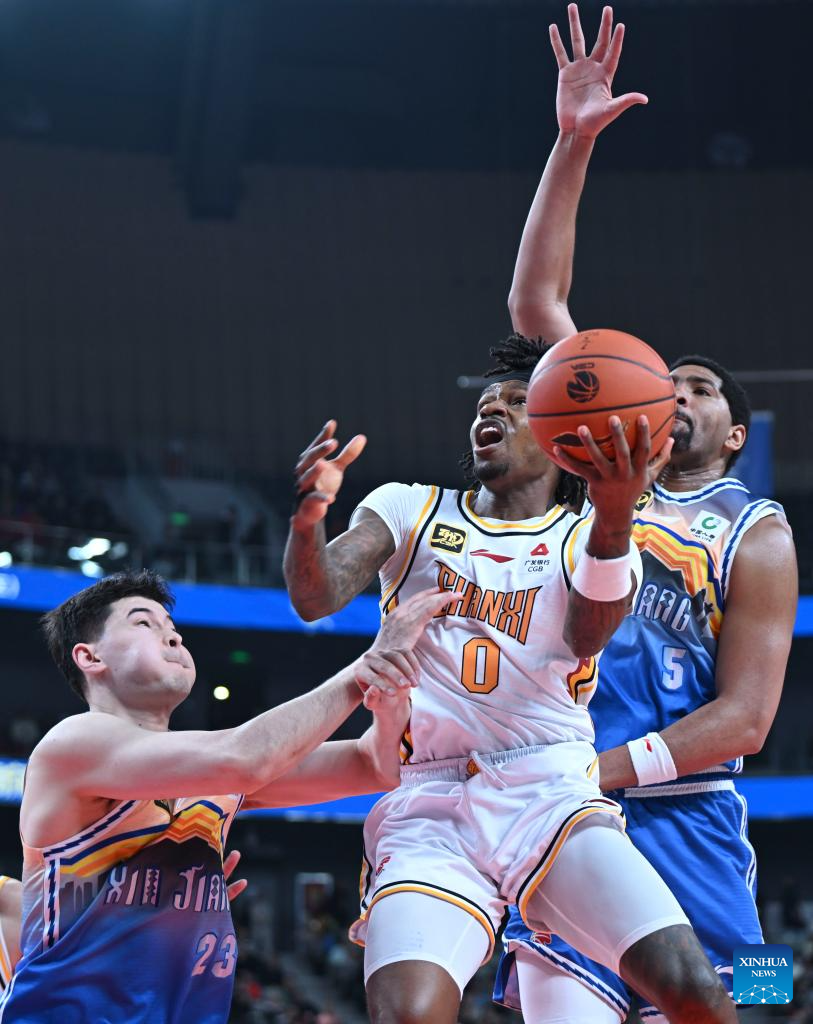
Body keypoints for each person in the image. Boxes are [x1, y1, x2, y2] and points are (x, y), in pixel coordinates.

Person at [491, 6, 798, 1021]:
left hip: (689, 820)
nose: (679, 392)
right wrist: (570, 143)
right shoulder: (596, 472)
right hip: (572, 820)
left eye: (700, 388)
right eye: (669, 382)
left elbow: (746, 718)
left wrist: (604, 768)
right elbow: (536, 307)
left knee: (752, 1000)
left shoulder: (756, 529)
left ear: (735, 433)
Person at [284, 375, 739, 1015]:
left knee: (708, 990)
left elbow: (591, 637)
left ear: (556, 434)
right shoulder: (411, 507)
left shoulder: (601, 537)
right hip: (436, 797)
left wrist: (614, 514)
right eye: (484, 403)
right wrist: (307, 522)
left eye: (517, 401)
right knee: (410, 1013)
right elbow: (315, 595)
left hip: (568, 793)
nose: (492, 407)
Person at [0, 569, 451, 1022]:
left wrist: (393, 698)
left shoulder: (204, 775)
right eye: (144, 623)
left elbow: (374, 766)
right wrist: (363, 670)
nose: (173, 637)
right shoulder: (72, 745)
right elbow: (246, 757)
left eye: (172, 628)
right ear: (89, 656)